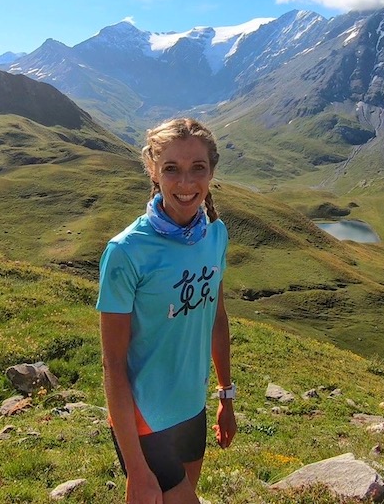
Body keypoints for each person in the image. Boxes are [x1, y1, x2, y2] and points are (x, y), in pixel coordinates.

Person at [97, 117, 236, 504]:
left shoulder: (216, 235)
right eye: (171, 169)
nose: (186, 183)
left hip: (193, 406)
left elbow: (216, 320)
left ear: (212, 173)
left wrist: (226, 396)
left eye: (198, 169)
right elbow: (112, 363)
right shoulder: (126, 252)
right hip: (145, 417)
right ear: (153, 171)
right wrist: (137, 468)